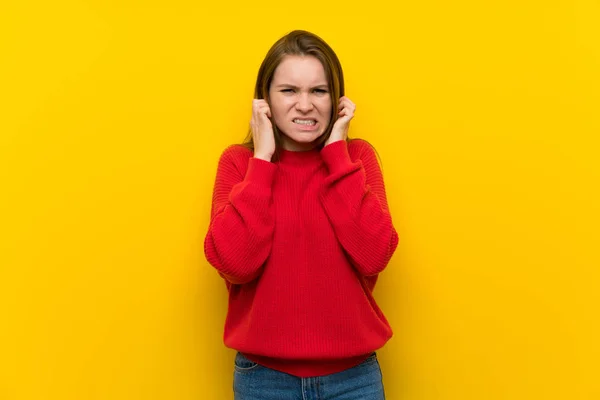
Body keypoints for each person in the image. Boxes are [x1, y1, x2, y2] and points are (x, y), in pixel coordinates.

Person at [204, 29, 399, 399]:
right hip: (264, 379)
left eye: (319, 91)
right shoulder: (239, 163)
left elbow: (374, 256)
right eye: (289, 91)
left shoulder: (357, 160)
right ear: (265, 101)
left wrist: (337, 153)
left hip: (354, 380)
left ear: (337, 101)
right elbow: (234, 264)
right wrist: (262, 160)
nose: (305, 105)